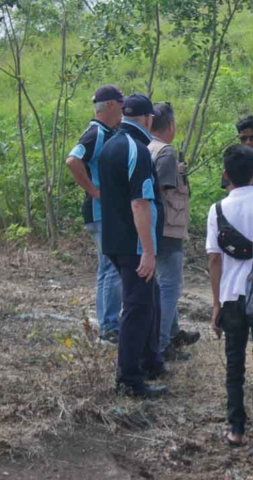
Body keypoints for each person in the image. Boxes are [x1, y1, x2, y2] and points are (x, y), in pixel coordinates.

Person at [206, 145, 253, 446]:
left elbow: (214, 260)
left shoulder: (217, 209)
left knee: (234, 362)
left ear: (225, 175)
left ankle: (236, 428)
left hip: (232, 296)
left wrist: (215, 304)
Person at [99, 93, 167, 398]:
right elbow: (139, 202)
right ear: (148, 119)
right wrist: (148, 250)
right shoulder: (137, 150)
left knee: (149, 297)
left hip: (115, 239)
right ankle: (129, 379)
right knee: (137, 307)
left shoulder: (111, 144)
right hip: (133, 244)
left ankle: (150, 361)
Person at [66, 84, 125, 344]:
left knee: (106, 268)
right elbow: (72, 160)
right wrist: (94, 191)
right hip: (100, 212)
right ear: (111, 105)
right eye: (121, 104)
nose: (123, 109)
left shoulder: (104, 132)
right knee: (112, 267)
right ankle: (110, 326)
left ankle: (107, 323)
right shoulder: (95, 133)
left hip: (100, 213)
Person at [148, 101, 201, 362]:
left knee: (162, 285)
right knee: (170, 286)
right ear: (171, 125)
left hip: (151, 229)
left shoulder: (145, 147)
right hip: (168, 229)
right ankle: (162, 344)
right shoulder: (167, 153)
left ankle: (172, 331)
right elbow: (164, 190)